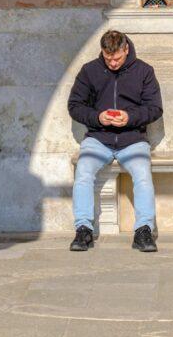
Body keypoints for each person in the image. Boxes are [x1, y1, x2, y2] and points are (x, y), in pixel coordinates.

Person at [67, 30, 163, 252]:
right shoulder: (89, 71)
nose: (112, 62)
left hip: (133, 139)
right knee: (83, 172)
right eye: (108, 57)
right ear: (102, 51)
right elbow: (75, 106)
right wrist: (97, 117)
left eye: (117, 58)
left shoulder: (144, 71)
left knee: (142, 175)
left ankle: (143, 231)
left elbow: (155, 108)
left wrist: (130, 118)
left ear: (126, 49)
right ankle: (83, 229)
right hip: (98, 138)